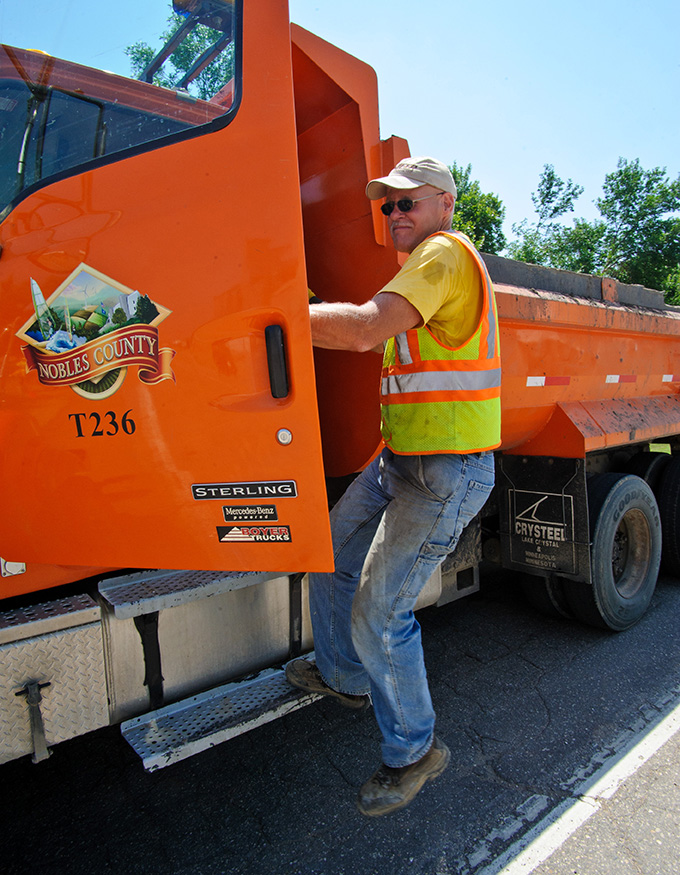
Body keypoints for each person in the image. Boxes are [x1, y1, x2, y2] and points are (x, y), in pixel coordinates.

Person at [286, 156, 501, 817]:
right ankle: (346, 677)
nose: (396, 213)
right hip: (400, 462)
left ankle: (414, 751)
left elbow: (364, 329)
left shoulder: (441, 256)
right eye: (388, 205)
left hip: (444, 472)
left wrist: (277, 315)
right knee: (327, 552)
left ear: (445, 204)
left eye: (408, 201)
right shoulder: (419, 270)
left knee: (380, 611)